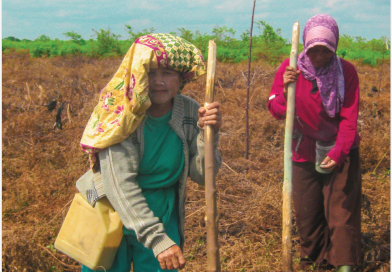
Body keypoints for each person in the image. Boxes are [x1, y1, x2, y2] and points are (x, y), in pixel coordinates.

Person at [76, 33, 222, 271]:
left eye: (167, 73)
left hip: (162, 209)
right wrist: (158, 241)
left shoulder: (190, 111)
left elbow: (204, 176)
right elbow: (119, 186)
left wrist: (210, 135)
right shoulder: (121, 112)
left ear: (180, 78)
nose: (158, 82)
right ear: (136, 73)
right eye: (150, 72)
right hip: (110, 209)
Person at [268, 14, 361, 272]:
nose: (319, 56)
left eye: (326, 50)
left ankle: (344, 264)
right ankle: (315, 263)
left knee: (341, 213)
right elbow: (275, 111)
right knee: (307, 214)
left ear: (335, 48)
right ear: (305, 47)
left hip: (340, 148)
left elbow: (349, 118)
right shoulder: (291, 68)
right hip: (303, 150)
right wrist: (287, 90)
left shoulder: (347, 72)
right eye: (314, 50)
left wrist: (339, 151)